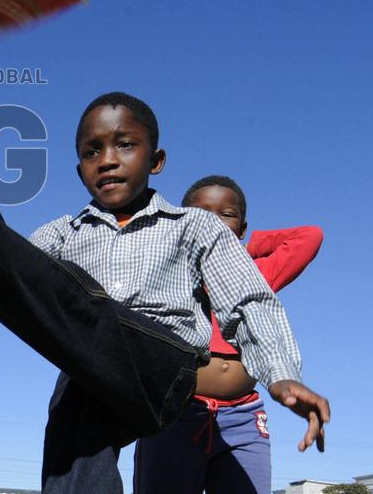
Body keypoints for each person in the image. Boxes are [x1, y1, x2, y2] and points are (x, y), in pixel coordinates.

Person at [0, 28, 329, 494]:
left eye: (125, 145)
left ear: (155, 160)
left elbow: (248, 298)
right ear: (80, 169)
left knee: (81, 306)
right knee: (72, 446)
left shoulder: (192, 226)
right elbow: (19, 274)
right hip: (94, 370)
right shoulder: (65, 232)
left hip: (162, 368)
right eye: (91, 151)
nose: (108, 159)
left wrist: (282, 373)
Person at [133, 176, 323, 494]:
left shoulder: (255, 273)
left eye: (226, 214)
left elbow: (309, 237)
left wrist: (242, 247)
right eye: (202, 213)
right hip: (177, 415)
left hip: (243, 418)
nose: (213, 220)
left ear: (242, 227)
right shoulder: (166, 276)